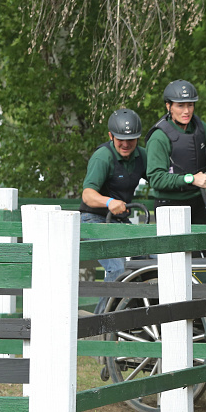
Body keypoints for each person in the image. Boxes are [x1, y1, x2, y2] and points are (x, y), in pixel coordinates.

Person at [80, 108, 146, 310]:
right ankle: (102, 324)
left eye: (131, 140)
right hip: (95, 220)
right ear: (111, 136)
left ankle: (138, 318)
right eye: (120, 139)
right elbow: (87, 195)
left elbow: (160, 179)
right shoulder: (103, 157)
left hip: (120, 221)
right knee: (117, 268)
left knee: (149, 260)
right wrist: (109, 202)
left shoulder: (142, 156)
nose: (126, 144)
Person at [146, 79, 206, 226]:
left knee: (205, 248)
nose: (186, 111)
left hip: (198, 200)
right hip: (169, 206)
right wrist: (190, 179)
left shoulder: (199, 128)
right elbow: (156, 179)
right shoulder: (159, 137)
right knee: (177, 249)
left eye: (190, 105)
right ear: (168, 106)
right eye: (180, 106)